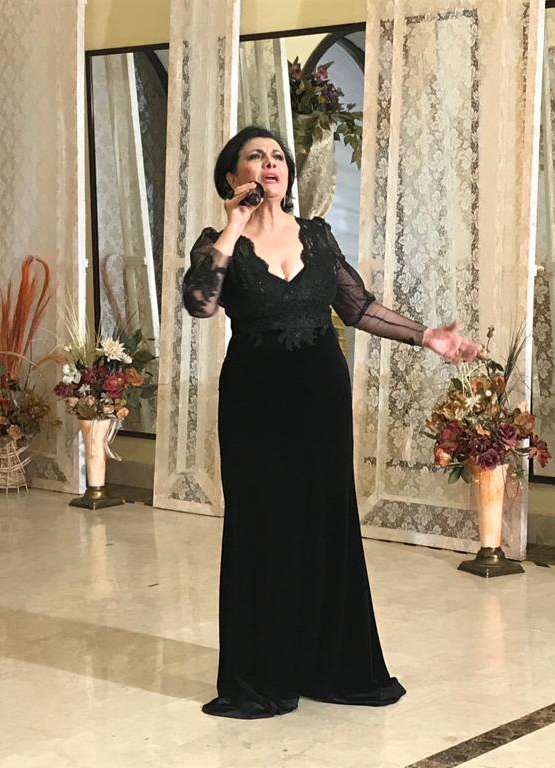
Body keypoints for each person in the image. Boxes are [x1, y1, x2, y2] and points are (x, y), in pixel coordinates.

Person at [183, 125, 483, 719]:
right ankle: (262, 672)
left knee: (324, 520)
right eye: (255, 157)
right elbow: (199, 304)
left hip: (320, 395)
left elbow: (358, 307)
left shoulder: (316, 235)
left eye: (277, 157)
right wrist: (234, 226)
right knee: (263, 523)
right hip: (255, 401)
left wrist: (427, 336)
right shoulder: (216, 244)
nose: (270, 164)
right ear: (232, 176)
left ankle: (328, 664)